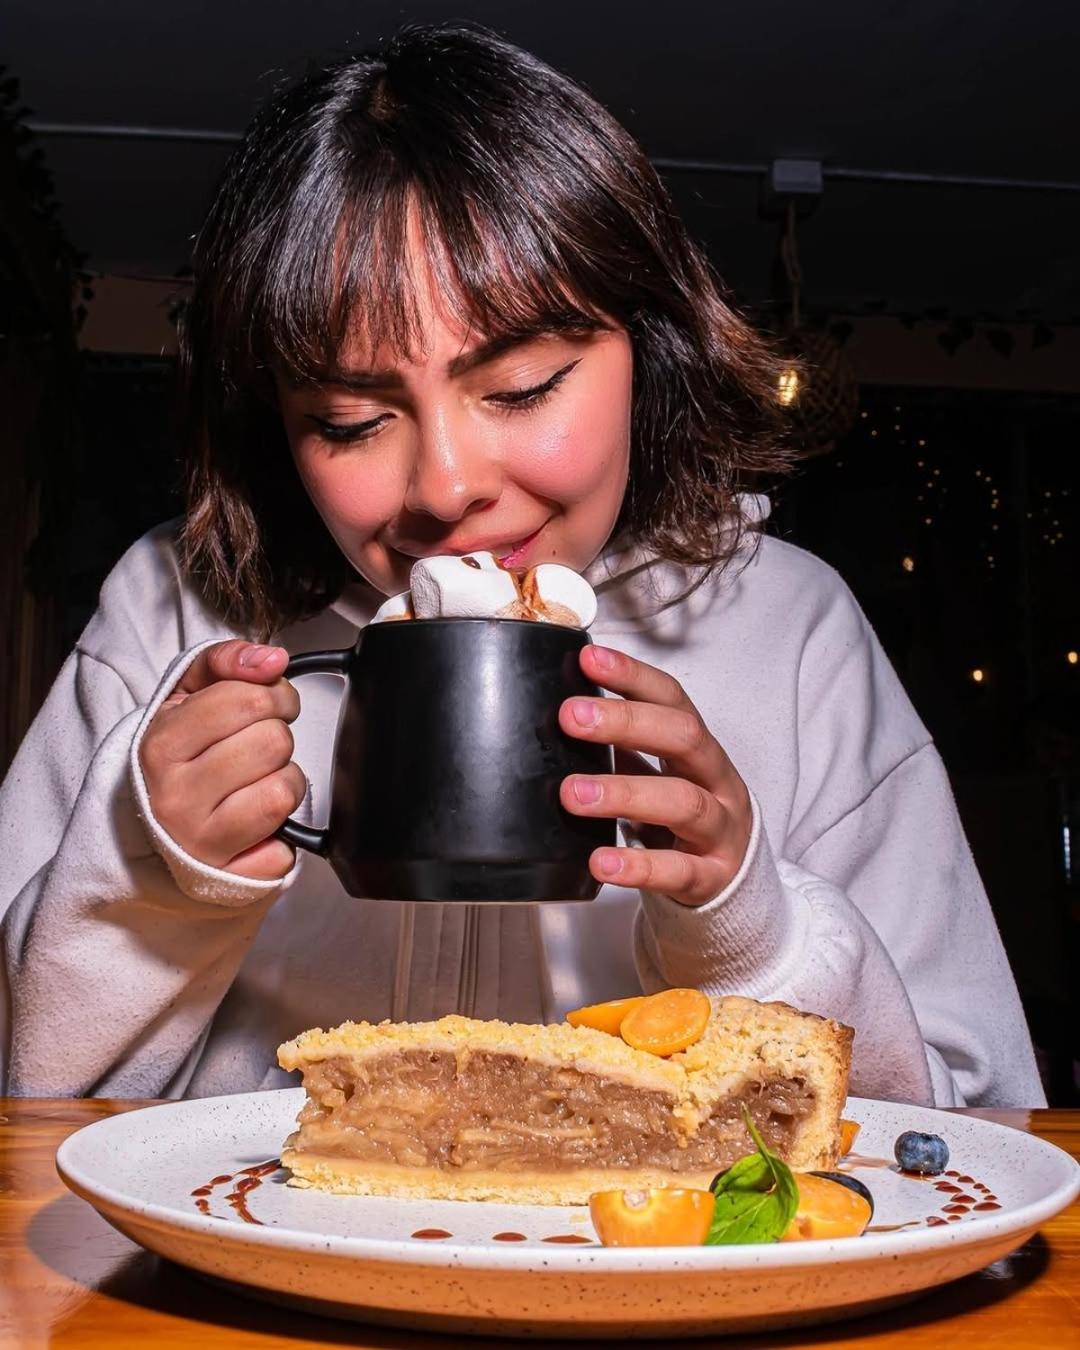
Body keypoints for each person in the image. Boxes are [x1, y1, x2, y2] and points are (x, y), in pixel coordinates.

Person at [0, 24, 1043, 1107]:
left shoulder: (796, 632)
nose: (444, 486)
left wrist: (750, 928)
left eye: (524, 387)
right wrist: (154, 873)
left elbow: (967, 1130)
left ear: (648, 348)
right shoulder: (169, 616)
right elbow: (25, 1127)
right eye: (352, 420)